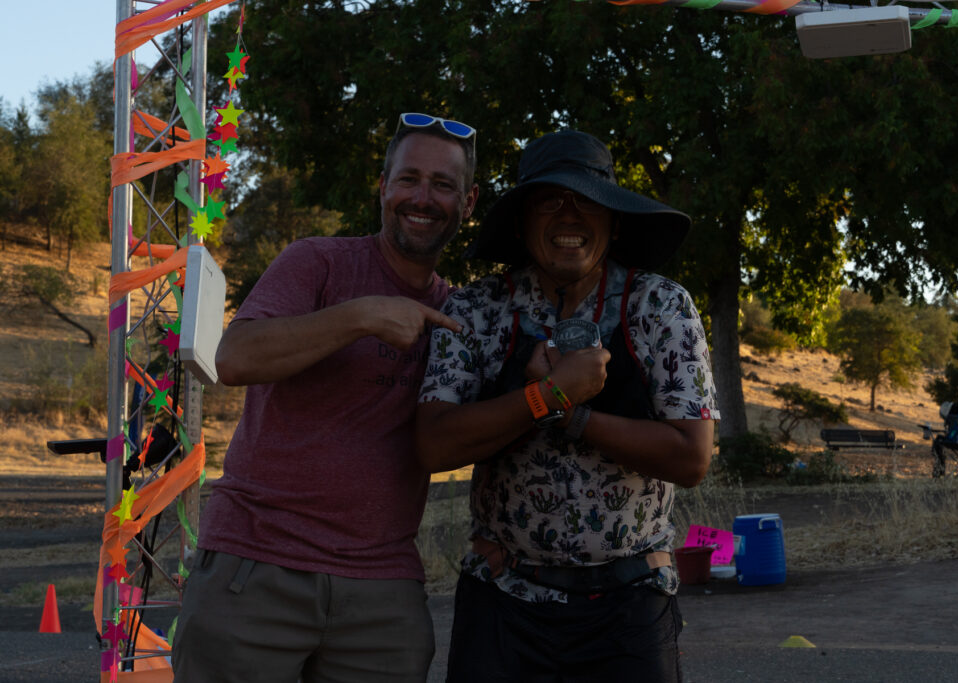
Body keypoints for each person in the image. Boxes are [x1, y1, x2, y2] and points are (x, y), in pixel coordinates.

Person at [171, 113, 479, 682]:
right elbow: (233, 358)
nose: (423, 197)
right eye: (408, 178)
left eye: (443, 185)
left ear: (468, 202)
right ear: (383, 187)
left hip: (383, 593)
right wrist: (360, 316)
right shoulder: (318, 261)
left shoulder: (459, 315)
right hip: (255, 569)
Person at [416, 129, 719, 682]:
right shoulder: (476, 309)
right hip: (503, 596)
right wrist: (548, 395)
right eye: (549, 201)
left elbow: (690, 458)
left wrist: (574, 414)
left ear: (615, 221)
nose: (569, 216)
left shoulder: (661, 306)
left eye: (587, 201)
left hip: (630, 603)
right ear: (521, 222)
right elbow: (434, 443)